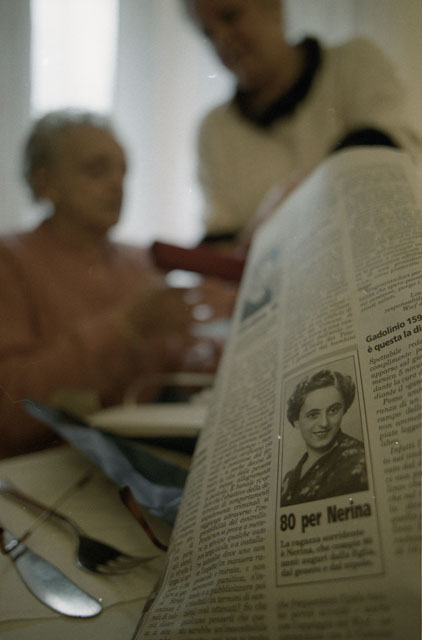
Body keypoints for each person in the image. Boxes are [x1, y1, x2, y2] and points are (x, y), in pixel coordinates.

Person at [0, 109, 233, 459]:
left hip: (138, 455)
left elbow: (169, 365)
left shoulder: (140, 261)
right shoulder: (10, 261)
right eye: (97, 170)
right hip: (44, 465)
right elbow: (11, 411)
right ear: (45, 182)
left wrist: (207, 353)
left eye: (124, 172)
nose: (117, 186)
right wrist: (125, 325)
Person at [183, 0, 421, 249]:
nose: (221, 39)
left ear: (274, 6)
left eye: (230, 16)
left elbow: (387, 152)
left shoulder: (355, 62)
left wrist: (287, 202)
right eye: (208, 33)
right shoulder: (213, 130)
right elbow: (221, 233)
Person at [280, 369, 368, 506]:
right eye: (313, 415)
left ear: (344, 410)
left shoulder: (358, 460)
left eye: (333, 410)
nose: (324, 423)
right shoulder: (289, 478)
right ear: (296, 421)